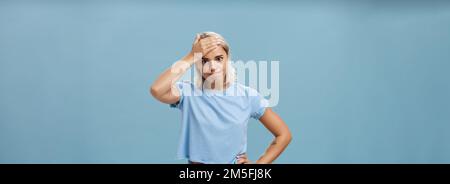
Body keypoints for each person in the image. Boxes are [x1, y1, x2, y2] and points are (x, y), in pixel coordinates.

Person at [150, 32, 292, 164]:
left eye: (218, 59)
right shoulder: (187, 93)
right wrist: (191, 56)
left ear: (227, 59)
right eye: (204, 60)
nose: (212, 67)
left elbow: (283, 135)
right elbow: (157, 90)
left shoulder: (248, 95)